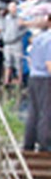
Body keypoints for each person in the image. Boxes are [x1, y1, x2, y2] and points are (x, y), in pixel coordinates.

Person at [23, 23, 51, 152]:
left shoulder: (39, 38)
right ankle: (44, 143)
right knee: (46, 111)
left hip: (34, 76)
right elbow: (49, 63)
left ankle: (29, 142)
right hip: (46, 78)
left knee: (33, 111)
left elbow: (30, 58)